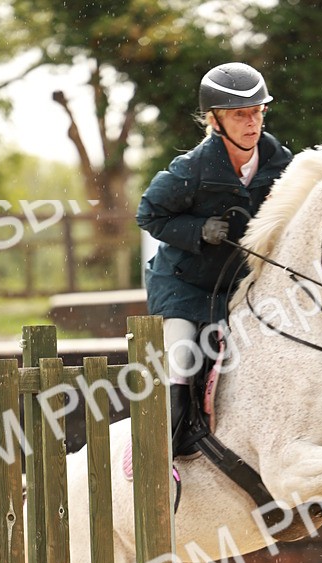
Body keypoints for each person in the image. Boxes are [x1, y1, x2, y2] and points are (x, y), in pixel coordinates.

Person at [136, 62, 292, 447]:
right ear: (215, 120)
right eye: (240, 114)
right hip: (184, 286)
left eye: (257, 112)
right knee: (184, 356)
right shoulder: (190, 169)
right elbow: (149, 214)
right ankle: (165, 452)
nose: (252, 122)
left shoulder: (281, 163)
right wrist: (198, 230)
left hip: (237, 286)